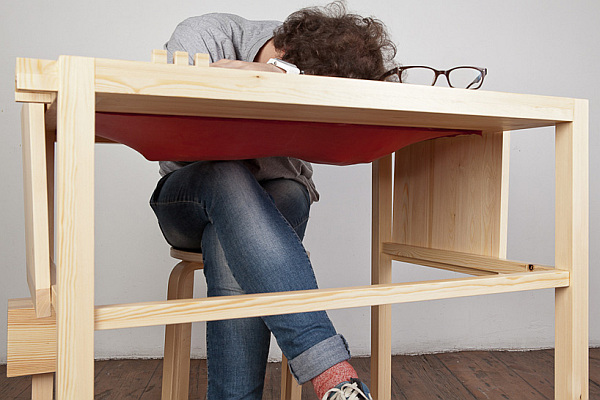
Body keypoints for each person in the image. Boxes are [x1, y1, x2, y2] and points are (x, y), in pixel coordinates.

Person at [150, 2, 396, 399]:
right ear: (281, 48)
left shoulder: (326, 63)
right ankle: (331, 372)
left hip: (273, 205)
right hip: (190, 198)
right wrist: (270, 79)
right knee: (227, 174)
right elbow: (176, 137)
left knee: (253, 224)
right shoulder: (205, 34)